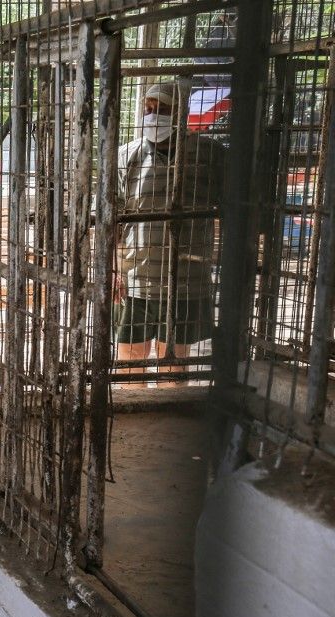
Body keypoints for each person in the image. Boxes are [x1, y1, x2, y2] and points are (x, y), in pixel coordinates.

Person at [114, 80, 226, 387]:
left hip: (186, 279)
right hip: (137, 278)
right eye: (148, 109)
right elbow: (113, 219)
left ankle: (170, 419)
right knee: (129, 363)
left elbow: (232, 209)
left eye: (162, 109)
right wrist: (114, 269)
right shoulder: (127, 156)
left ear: (181, 112)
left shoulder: (211, 155)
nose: (153, 116)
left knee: (174, 366)